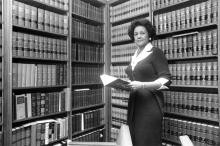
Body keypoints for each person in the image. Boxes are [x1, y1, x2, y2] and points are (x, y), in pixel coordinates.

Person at [125, 18, 171, 146]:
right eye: (136, 34)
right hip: (135, 103)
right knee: (134, 140)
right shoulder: (135, 55)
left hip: (150, 105)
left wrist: (143, 85)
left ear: (149, 35)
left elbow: (166, 80)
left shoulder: (156, 53)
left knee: (147, 140)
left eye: (142, 33)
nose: (138, 36)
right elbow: (135, 78)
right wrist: (123, 85)